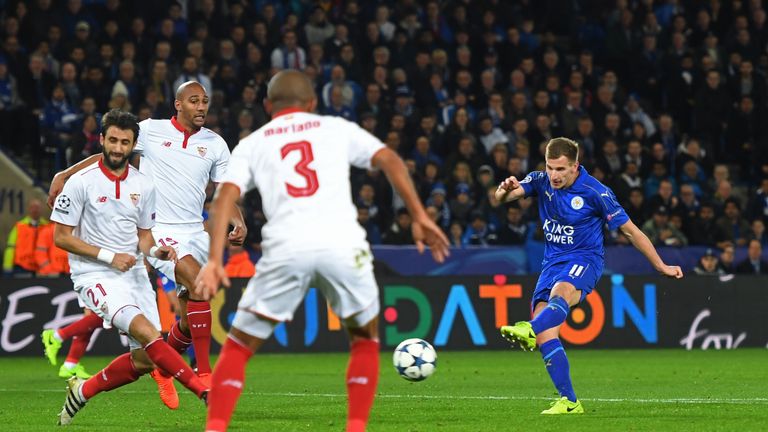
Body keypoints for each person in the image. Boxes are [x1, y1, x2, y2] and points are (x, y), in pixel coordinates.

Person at [194, 70, 450, 432]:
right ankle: (356, 426)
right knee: (364, 338)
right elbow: (390, 159)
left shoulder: (253, 143)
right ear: (313, 104)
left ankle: (215, 427)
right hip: (342, 244)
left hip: (286, 247)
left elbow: (224, 198)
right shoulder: (335, 127)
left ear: (268, 106)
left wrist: (214, 260)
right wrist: (419, 216)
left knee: (237, 347)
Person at [47, 81, 246, 410]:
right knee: (199, 284)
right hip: (158, 230)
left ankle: (163, 366)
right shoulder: (150, 130)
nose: (201, 107)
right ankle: (206, 373)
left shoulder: (215, 144)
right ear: (178, 104)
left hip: (196, 231)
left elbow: (224, 190)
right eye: (194, 101)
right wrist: (65, 174)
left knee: (185, 318)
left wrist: (238, 219)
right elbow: (112, 152)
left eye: (205, 101)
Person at [495, 137, 683, 414]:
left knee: (560, 294)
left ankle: (529, 328)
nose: (554, 175)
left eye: (561, 169)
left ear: (575, 166)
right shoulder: (540, 180)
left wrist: (660, 265)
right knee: (548, 334)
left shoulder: (597, 192)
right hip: (552, 262)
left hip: (585, 260)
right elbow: (503, 199)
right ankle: (569, 401)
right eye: (550, 168)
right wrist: (502, 190)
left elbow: (631, 231)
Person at [3, 199, 48, 276]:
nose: (35, 210)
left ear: (41, 209)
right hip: (21, 267)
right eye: (32, 207)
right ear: (28, 209)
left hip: (42, 267)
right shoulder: (19, 226)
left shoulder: (47, 227)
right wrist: (7, 268)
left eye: (37, 207)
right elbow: (10, 248)